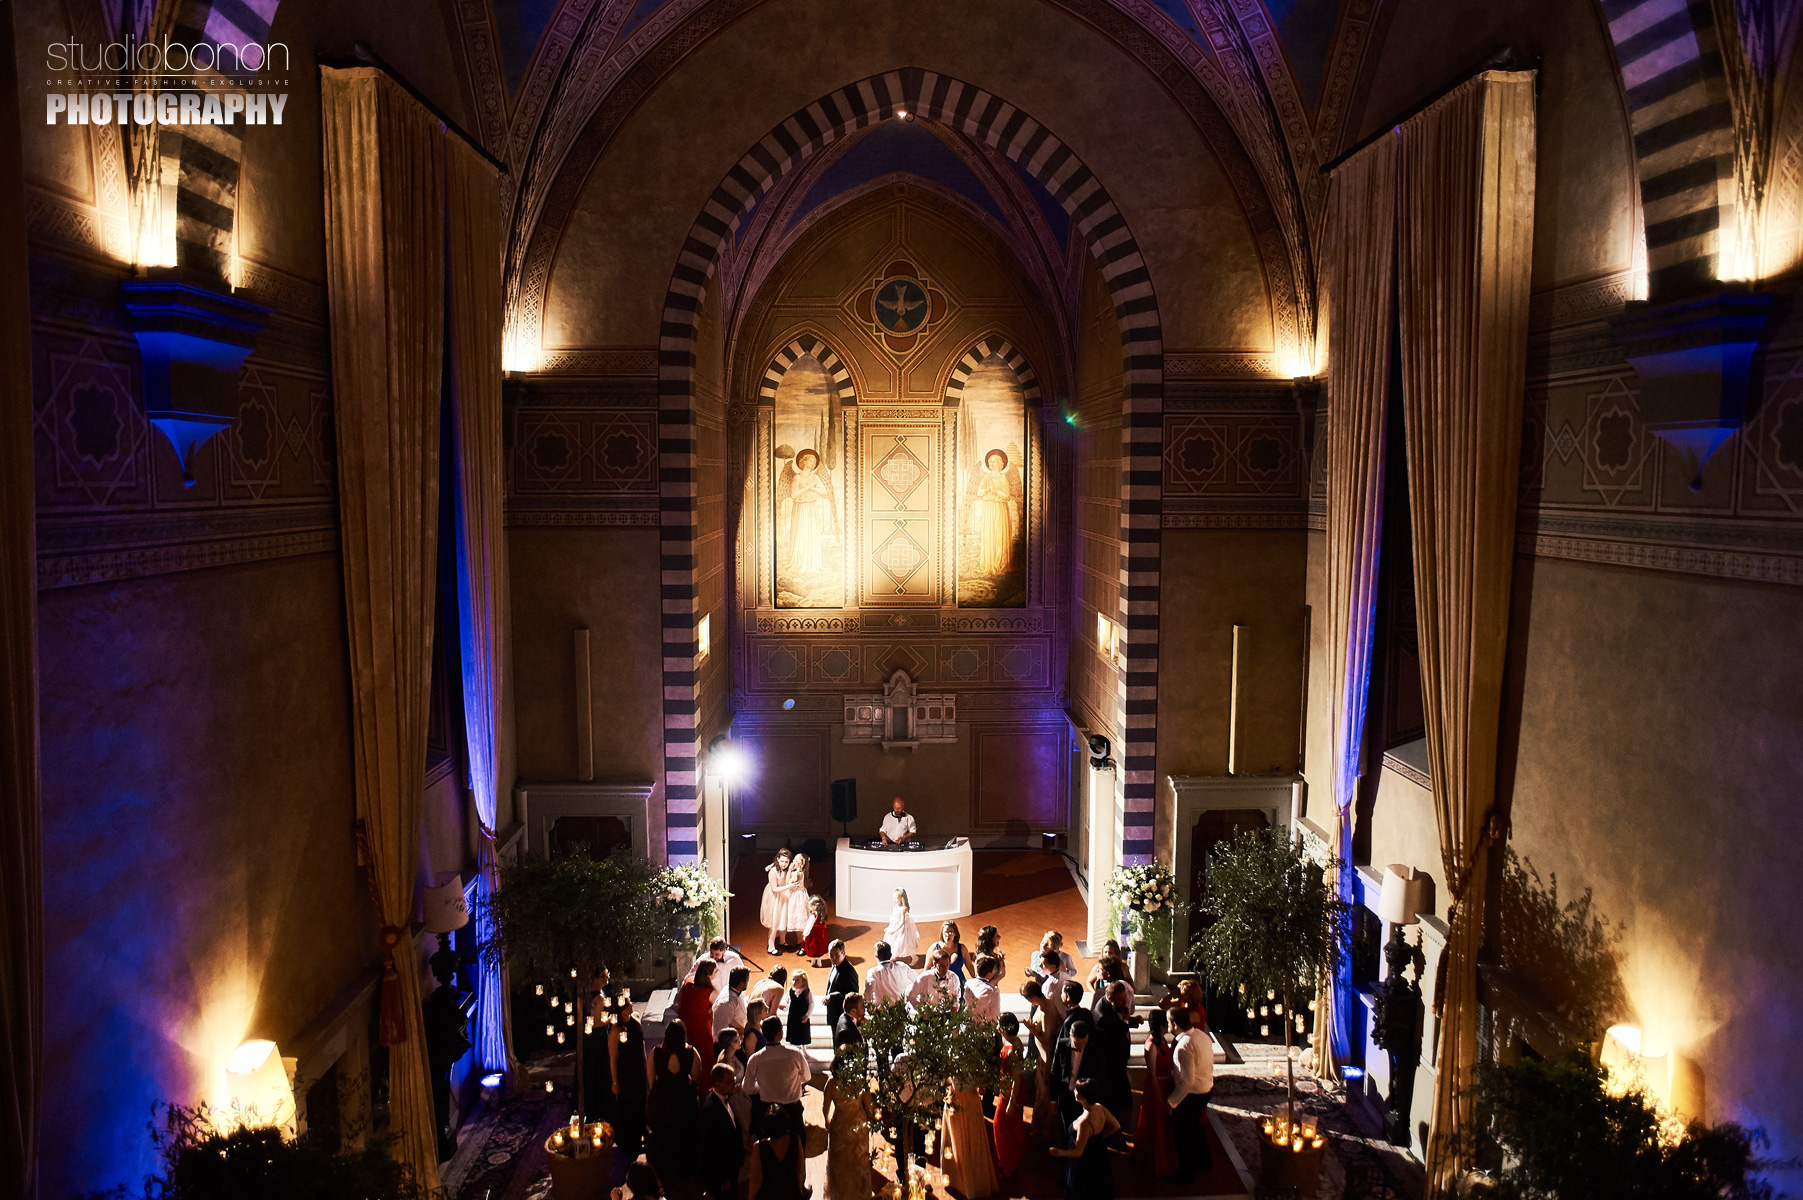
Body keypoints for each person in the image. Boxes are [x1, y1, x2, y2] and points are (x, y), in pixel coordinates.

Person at [744, 1016, 812, 1190]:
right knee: (798, 1148)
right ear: (780, 1034)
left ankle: (769, 1187)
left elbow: (748, 1087)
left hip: (768, 1110)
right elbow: (807, 1077)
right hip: (792, 1110)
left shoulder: (755, 1059)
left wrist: (764, 1087)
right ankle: (799, 1187)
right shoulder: (794, 1054)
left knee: (768, 1152)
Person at [1164, 1006, 1215, 1186]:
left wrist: (1171, 1102)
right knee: (1195, 1127)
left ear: (1175, 1025)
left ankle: (1187, 1174)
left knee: (1184, 1136)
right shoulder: (1202, 1035)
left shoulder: (1183, 1046)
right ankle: (1205, 1161)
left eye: (1168, 1022)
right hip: (1206, 1089)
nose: (1167, 1026)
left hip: (1192, 1095)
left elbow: (1187, 1082)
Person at [1048, 1078, 1121, 1200]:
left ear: (1082, 1096)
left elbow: (1078, 1152)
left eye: (1076, 1089)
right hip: (1098, 1158)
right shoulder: (1100, 1108)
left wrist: (1060, 1152)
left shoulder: (1084, 1123)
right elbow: (1116, 1126)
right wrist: (1100, 1137)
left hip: (1083, 1165)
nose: (1074, 1091)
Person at [647, 1019, 700, 1180]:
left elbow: (651, 1078)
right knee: (683, 1135)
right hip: (684, 1100)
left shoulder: (656, 1052)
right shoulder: (691, 1052)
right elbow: (696, 1077)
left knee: (663, 1134)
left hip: (662, 1100)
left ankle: (663, 1169)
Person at [944, 1046, 999, 1198]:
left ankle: (960, 1181)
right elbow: (983, 1090)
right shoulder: (976, 1058)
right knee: (974, 1142)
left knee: (958, 1142)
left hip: (955, 1102)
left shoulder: (950, 1055)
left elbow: (946, 1082)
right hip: (971, 1103)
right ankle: (977, 1182)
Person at [1134, 1007, 1178, 1179]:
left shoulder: (1162, 1040)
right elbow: (1152, 1073)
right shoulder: (1152, 1045)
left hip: (1167, 1085)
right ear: (1161, 1025)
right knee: (1156, 1125)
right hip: (1157, 1088)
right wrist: (1159, 1098)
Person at [823, 1056, 873, 1200]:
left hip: (840, 1126)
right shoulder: (860, 1081)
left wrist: (827, 1121)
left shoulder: (831, 1083)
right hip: (858, 1124)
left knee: (840, 1164)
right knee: (859, 1161)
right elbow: (869, 1106)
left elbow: (825, 1107)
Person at [1088, 980, 1135, 1126]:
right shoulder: (1103, 1017)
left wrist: (1131, 1021)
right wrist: (1126, 1022)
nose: (1124, 1002)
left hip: (1118, 1056)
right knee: (1115, 1093)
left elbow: (1118, 1022)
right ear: (1110, 998)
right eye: (1121, 999)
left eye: (1125, 998)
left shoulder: (1110, 1005)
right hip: (1111, 1060)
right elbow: (1116, 1034)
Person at [1020, 979, 1062, 1140]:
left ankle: (1043, 1128)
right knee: (1040, 1090)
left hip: (1046, 1056)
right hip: (1042, 1054)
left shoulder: (1045, 1012)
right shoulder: (1048, 1002)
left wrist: (1031, 1028)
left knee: (1044, 1093)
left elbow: (1046, 1038)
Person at [698, 1062, 745, 1200]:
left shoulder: (723, 1100)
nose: (734, 1083)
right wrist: (722, 1179)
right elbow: (711, 1150)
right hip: (723, 1176)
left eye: (733, 1079)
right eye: (729, 1081)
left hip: (731, 1170)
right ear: (718, 1085)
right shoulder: (711, 1110)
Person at [611, 993, 649, 1156]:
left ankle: (641, 1132)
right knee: (629, 1106)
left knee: (641, 1102)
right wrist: (615, 1082)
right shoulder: (616, 1030)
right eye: (628, 1003)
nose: (632, 1004)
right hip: (626, 1072)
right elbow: (613, 1058)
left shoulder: (636, 1018)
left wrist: (646, 1065)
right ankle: (630, 1141)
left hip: (638, 1068)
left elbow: (642, 1045)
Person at [990, 1013, 1028, 1177]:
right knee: (1012, 1127)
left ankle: (1009, 1163)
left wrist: (1011, 1102)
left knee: (1001, 1127)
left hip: (1010, 1093)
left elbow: (1016, 1079)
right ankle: (1011, 1158)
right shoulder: (1014, 1042)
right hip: (1008, 1090)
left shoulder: (1013, 1051)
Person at [747, 1103, 804, 1200]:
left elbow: (756, 1180)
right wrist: (799, 1190)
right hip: (791, 1193)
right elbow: (799, 1171)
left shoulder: (759, 1146)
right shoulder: (795, 1140)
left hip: (768, 1195)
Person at [1048, 1015, 1091, 1139]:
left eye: (1083, 1043)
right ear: (1070, 1037)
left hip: (1083, 1099)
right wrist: (1052, 1100)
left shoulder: (1095, 1052)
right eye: (1076, 1043)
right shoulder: (1062, 1045)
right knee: (1065, 1130)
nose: (1080, 1047)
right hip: (1065, 1095)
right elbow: (1055, 1072)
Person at [679, 961, 719, 1083]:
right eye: (716, 971)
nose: (718, 972)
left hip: (686, 1027)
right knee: (705, 1058)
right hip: (701, 1030)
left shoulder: (688, 983)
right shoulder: (711, 993)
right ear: (709, 975)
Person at [761, 848, 794, 955]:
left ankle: (782, 941)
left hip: (784, 896)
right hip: (775, 898)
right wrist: (789, 886)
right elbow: (774, 889)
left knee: (784, 919)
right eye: (782, 861)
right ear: (778, 859)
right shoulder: (773, 871)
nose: (784, 864)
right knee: (774, 921)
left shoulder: (788, 870)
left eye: (786, 862)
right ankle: (771, 947)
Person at [865, 940, 916, 1005]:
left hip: (882, 1009)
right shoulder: (902, 966)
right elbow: (917, 980)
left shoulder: (872, 972)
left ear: (876, 957)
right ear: (891, 954)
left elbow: (868, 994)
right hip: (902, 1007)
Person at [780, 854, 812, 951]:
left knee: (800, 922)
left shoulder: (797, 874)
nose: (793, 862)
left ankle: (802, 945)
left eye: (795, 861)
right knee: (799, 923)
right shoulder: (801, 873)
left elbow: (788, 883)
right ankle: (800, 943)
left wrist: (789, 871)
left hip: (797, 898)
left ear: (800, 864)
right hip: (799, 896)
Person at [822, 940, 857, 1029]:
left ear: (843, 953)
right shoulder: (834, 965)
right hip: (833, 1013)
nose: (833, 958)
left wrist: (832, 997)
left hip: (842, 1016)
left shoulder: (849, 972)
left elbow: (852, 996)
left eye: (836, 955)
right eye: (831, 955)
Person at [963, 954, 1003, 1025]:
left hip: (967, 1025)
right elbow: (995, 1015)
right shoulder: (993, 992)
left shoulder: (968, 983)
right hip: (983, 1028)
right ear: (989, 974)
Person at [884, 889, 920, 965]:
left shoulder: (902, 909)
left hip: (901, 928)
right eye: (893, 897)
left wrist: (894, 930)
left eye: (896, 898)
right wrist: (889, 927)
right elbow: (894, 918)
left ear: (902, 898)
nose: (894, 900)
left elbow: (902, 922)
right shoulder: (895, 906)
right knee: (892, 941)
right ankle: (893, 956)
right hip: (895, 925)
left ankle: (903, 957)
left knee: (902, 942)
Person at [715, 965, 751, 1036]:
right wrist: (747, 1031)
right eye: (747, 980)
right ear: (741, 983)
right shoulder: (726, 1003)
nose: (748, 983)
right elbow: (722, 1029)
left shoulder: (737, 990)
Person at [784, 970, 815, 1047]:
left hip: (802, 1016)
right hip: (793, 1017)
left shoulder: (807, 992)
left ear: (803, 981)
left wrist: (807, 1015)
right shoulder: (791, 991)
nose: (794, 982)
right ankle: (793, 1046)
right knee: (793, 1032)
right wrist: (783, 1004)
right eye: (793, 980)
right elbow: (786, 999)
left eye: (797, 980)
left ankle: (804, 1048)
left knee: (803, 1033)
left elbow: (811, 1004)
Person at [802, 895, 831, 964]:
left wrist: (805, 934)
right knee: (819, 947)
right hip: (820, 934)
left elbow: (808, 926)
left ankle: (813, 961)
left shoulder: (813, 916)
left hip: (813, 934)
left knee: (813, 947)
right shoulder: (822, 914)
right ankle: (819, 962)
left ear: (814, 906)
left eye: (810, 906)